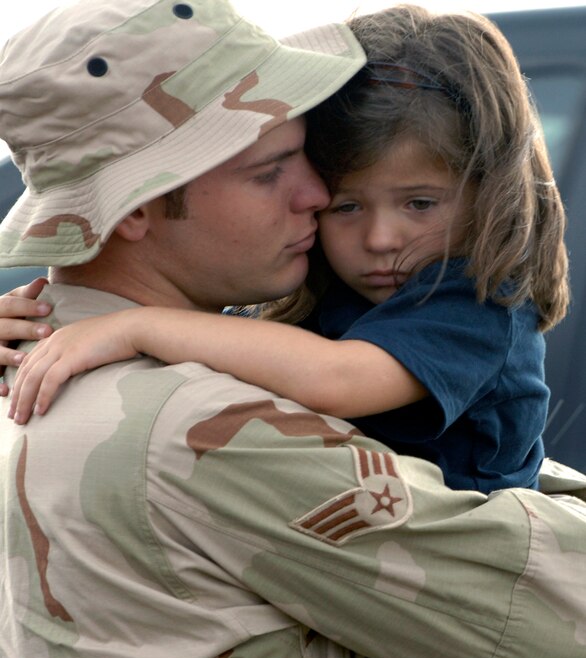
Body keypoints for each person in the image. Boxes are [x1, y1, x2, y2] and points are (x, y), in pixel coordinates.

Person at [1, 1, 586, 658]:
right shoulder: (202, 425)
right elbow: (550, 632)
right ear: (137, 204)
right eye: (269, 169)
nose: (317, 193)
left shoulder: (39, 365)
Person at [2, 7, 568, 501]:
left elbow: (334, 379)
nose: (378, 237)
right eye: (346, 205)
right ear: (132, 208)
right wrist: (43, 330)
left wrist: (132, 327)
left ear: (486, 197)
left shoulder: (473, 301)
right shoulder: (183, 414)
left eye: (419, 202)